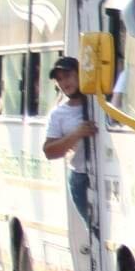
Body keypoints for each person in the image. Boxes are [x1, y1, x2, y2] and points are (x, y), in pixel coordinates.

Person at [41, 56, 95, 233]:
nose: (65, 82)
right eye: (59, 79)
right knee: (94, 230)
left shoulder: (99, 102)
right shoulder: (59, 114)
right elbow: (49, 151)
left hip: (108, 175)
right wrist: (75, 135)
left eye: (68, 75)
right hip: (80, 177)